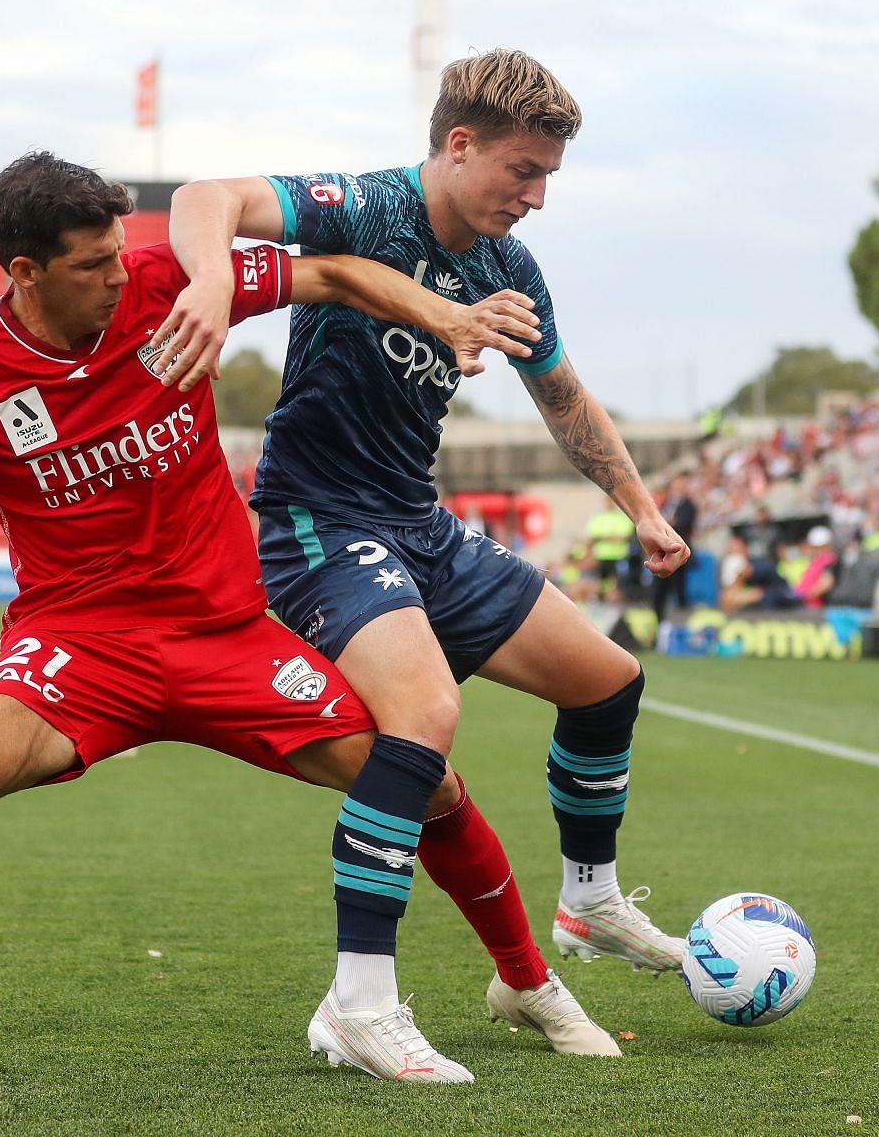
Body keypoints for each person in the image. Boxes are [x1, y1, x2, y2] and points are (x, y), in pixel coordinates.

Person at [0, 153, 617, 1085]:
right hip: (80, 644)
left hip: (226, 636)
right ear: (25, 272)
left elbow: (330, 274)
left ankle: (527, 980)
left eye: (121, 252)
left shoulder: (167, 284)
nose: (121, 275)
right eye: (93, 264)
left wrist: (442, 313)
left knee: (419, 779)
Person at [159, 49, 693, 982]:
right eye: (522, 171)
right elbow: (205, 196)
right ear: (457, 143)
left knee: (608, 682)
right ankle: (360, 993)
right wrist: (210, 279)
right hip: (317, 521)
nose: (535, 197)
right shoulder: (362, 207)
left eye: (547, 177)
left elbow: (562, 396)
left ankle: (590, 901)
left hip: (419, 524)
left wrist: (641, 507)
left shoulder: (506, 263)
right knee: (425, 717)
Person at [652, 474, 699, 618]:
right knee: (658, 591)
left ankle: (680, 622)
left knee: (679, 588)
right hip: (662, 552)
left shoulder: (689, 505)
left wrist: (667, 524)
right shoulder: (665, 503)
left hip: (678, 551)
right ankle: (658, 621)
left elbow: (683, 524)